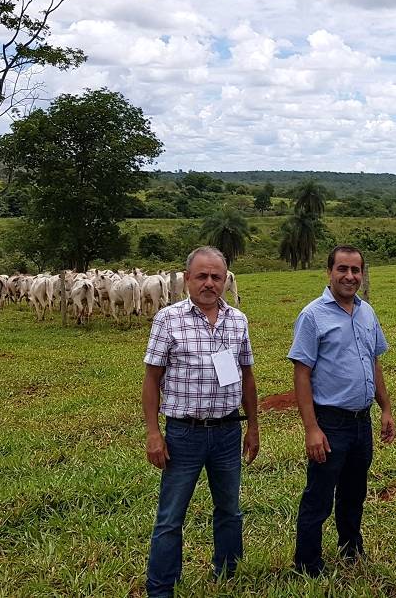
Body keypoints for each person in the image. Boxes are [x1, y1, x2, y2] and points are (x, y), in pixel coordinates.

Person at [142, 246, 259, 598]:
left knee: (230, 510)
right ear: (187, 279)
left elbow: (247, 377)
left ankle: (228, 573)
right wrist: (153, 432)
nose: (209, 283)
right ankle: (161, 587)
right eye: (202, 276)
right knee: (170, 516)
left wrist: (253, 426)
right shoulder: (168, 319)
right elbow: (151, 379)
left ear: (225, 280)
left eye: (216, 277)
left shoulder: (238, 321)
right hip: (183, 434)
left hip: (227, 431)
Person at [290, 245, 396, 576]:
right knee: (319, 497)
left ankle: (351, 548)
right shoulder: (312, 316)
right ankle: (307, 563)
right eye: (342, 269)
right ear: (329, 273)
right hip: (330, 422)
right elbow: (301, 374)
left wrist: (386, 408)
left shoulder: (367, 313)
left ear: (362, 274)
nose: (350, 276)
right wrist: (312, 429)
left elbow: (374, 362)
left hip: (361, 422)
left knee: (354, 492)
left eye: (356, 270)